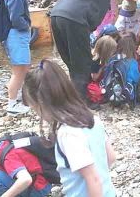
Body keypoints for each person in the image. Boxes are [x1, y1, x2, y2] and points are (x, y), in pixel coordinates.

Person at [50, 0, 140, 107]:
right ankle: (82, 102)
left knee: (71, 61)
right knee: (82, 62)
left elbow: (112, 6)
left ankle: (74, 97)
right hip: (75, 19)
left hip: (56, 16)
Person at [23, 59, 116, 196]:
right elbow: (111, 157)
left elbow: (93, 179)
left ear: (41, 103)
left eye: (33, 107)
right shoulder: (91, 118)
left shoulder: (68, 133)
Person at [3, 0, 32, 115]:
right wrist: (27, 25)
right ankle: (12, 105)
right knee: (19, 71)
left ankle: (17, 96)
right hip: (16, 34)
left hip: (15, 34)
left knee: (23, 67)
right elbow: (15, 17)